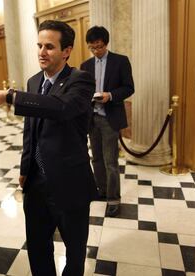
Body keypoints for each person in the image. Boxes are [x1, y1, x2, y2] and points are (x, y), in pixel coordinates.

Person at [0, 20, 98, 276]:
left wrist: (10, 96)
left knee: (75, 253)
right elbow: (30, 132)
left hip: (70, 183)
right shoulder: (33, 82)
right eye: (39, 45)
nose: (42, 52)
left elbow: (60, 108)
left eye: (50, 47)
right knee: (38, 248)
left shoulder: (82, 80)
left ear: (66, 51)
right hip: (36, 183)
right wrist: (24, 169)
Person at [80, 26, 134, 217]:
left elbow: (129, 88)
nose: (96, 51)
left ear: (106, 43)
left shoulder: (120, 61)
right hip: (92, 119)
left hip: (109, 118)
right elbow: (83, 91)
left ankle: (113, 199)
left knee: (111, 161)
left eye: (99, 47)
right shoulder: (85, 65)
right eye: (92, 47)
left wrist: (110, 95)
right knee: (97, 159)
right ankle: (101, 191)